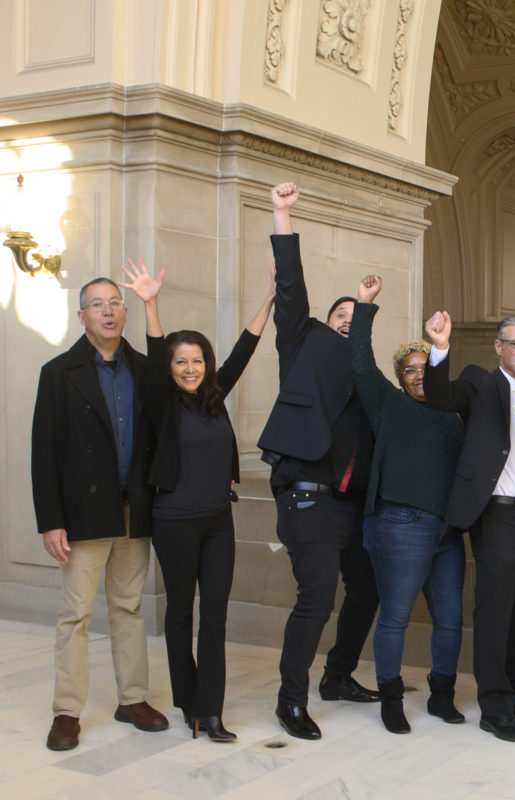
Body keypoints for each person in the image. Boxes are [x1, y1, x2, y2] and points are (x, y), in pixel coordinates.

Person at [120, 258, 274, 742]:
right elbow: (150, 348)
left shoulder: (214, 395)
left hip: (216, 523)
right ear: (170, 367)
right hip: (174, 521)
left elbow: (244, 350)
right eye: (180, 361)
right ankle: (188, 702)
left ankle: (211, 712)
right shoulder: (162, 402)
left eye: (197, 360)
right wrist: (150, 304)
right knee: (181, 614)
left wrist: (269, 298)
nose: (190, 368)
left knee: (215, 619)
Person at [257, 182, 380, 740]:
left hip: (352, 505)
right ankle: (291, 701)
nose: (350, 320)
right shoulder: (303, 344)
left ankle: (336, 677)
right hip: (307, 497)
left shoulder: (367, 375)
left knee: (367, 590)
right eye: (342, 314)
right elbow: (290, 288)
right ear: (326, 322)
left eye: (360, 317)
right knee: (316, 598)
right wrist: (283, 216)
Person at [32, 277, 169, 751]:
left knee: (129, 608)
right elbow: (43, 451)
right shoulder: (58, 371)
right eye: (97, 305)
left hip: (136, 508)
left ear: (124, 313)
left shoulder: (144, 369)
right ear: (82, 316)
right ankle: (67, 711)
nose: (108, 311)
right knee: (76, 614)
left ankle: (132, 699)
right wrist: (51, 519)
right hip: (84, 513)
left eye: (115, 303)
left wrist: (153, 303)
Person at [422, 309, 515, 743]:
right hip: (497, 512)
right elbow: (440, 396)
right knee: (495, 610)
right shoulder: (482, 383)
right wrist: (440, 347)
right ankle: (493, 707)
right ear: (499, 347)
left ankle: (511, 695)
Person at [348, 275, 466, 734]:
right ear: (400, 377)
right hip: (401, 522)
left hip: (447, 532)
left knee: (450, 619)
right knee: (395, 615)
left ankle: (441, 695)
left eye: (425, 368)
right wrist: (365, 305)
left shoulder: (453, 411)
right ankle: (391, 697)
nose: (418, 375)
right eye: (410, 370)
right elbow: (359, 365)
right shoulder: (388, 405)